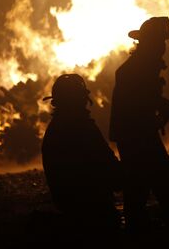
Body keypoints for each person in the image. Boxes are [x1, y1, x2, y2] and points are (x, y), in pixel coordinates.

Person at [109, 16, 169, 232]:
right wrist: (161, 107)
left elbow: (144, 97)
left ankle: (145, 221)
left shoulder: (142, 66)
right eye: (159, 42)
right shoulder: (136, 69)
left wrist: (160, 105)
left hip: (135, 132)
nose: (162, 47)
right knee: (156, 173)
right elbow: (138, 100)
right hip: (135, 133)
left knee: (141, 179)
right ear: (148, 43)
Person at [41, 74, 121, 229]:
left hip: (69, 206)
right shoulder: (82, 128)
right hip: (94, 209)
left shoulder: (54, 129)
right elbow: (108, 167)